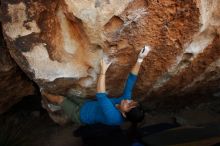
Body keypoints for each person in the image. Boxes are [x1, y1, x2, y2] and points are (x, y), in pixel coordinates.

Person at [42, 45, 151, 126]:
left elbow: (101, 95)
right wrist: (140, 59)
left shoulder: (114, 118)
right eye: (131, 101)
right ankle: (51, 100)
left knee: (59, 99)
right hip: (87, 104)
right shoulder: (125, 102)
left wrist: (103, 71)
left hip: (80, 115)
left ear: (124, 115)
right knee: (69, 94)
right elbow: (131, 81)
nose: (128, 101)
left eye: (128, 105)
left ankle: (42, 92)